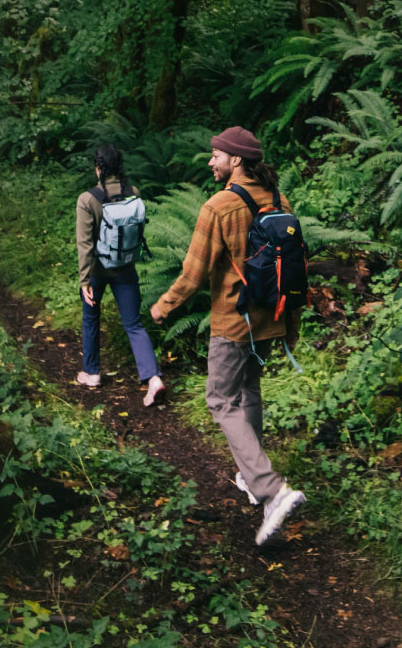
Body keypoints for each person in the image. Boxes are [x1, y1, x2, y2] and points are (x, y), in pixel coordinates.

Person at [150, 126, 306, 545]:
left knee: (219, 398)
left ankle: (272, 490)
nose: (210, 161)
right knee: (248, 391)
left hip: (233, 322)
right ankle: (250, 478)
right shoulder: (278, 200)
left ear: (235, 160)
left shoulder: (219, 206)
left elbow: (194, 273)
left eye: (215, 155)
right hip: (272, 318)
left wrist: (164, 305)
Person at [75, 144, 165, 407]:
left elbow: (85, 244)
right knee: (134, 324)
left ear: (98, 168)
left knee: (91, 317)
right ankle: (153, 377)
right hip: (125, 267)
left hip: (97, 271)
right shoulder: (133, 193)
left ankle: (92, 374)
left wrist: (84, 280)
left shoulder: (88, 199)